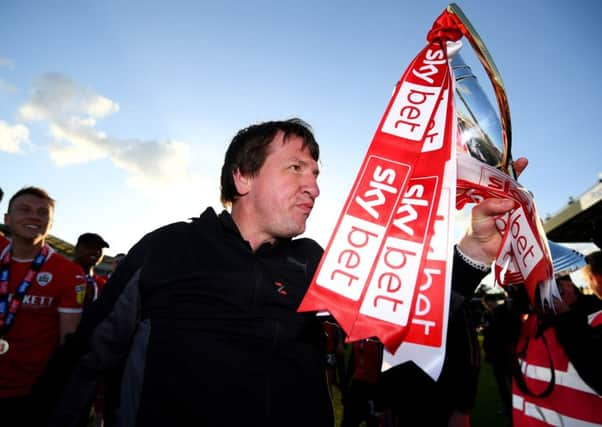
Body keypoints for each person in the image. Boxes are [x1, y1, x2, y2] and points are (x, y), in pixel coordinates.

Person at [44, 119, 523, 427]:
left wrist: (473, 251)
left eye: (316, 173)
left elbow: (404, 318)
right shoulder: (168, 247)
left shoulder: (316, 261)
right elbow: (86, 359)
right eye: (295, 168)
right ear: (243, 177)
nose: (313, 186)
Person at [0, 187, 86, 426]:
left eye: (42, 213)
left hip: (27, 393)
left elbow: (67, 340)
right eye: (24, 210)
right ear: (6, 219)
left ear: (50, 223)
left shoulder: (69, 273)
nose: (34, 217)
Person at [511, 272, 602, 426]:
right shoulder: (531, 324)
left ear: (569, 285)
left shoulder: (593, 319)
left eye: (556, 284)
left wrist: (566, 318)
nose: (546, 292)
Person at [73, 232, 109, 306]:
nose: (96, 252)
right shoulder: (59, 274)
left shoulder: (101, 284)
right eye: (90, 247)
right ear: (76, 249)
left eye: (99, 249)